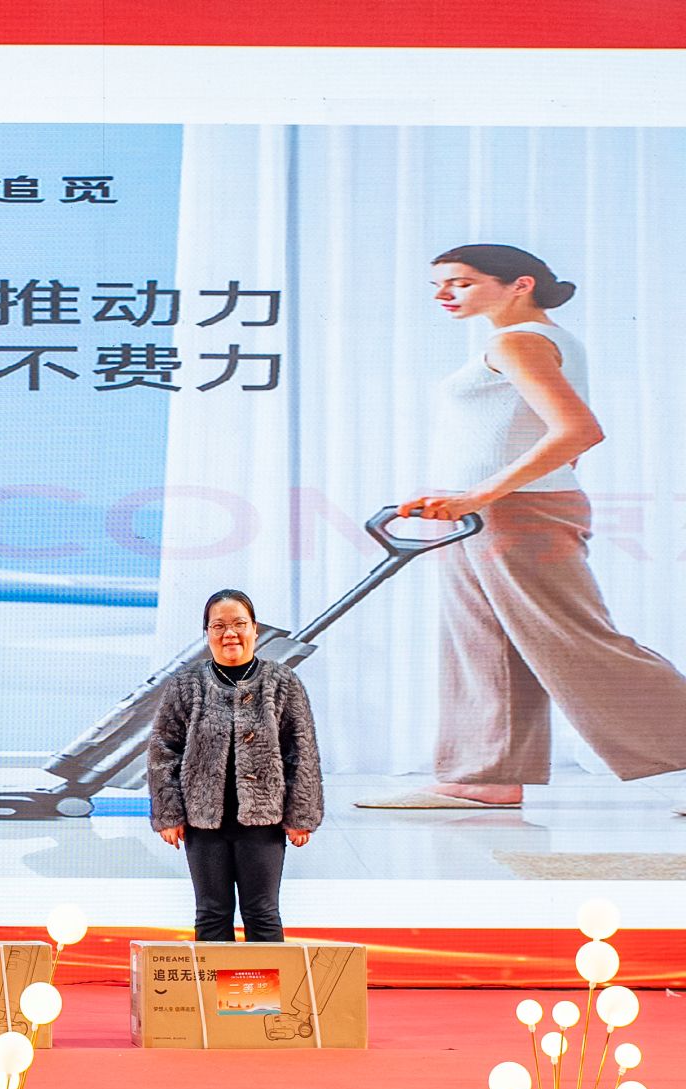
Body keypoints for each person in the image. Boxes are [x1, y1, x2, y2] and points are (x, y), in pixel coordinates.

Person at [362, 245, 686, 813]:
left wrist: (480, 494)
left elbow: (578, 431)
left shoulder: (517, 342)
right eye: (438, 285)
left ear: (520, 284)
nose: (445, 295)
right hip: (487, 513)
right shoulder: (536, 339)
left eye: (462, 282)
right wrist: (475, 499)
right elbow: (547, 437)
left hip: (511, 512)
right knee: (485, 644)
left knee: (576, 643)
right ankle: (483, 777)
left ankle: (486, 773)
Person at [148, 590, 322, 943]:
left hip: (264, 820)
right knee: (211, 912)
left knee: (262, 912)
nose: (230, 633)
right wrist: (169, 814)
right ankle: (215, 984)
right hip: (202, 821)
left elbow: (302, 751)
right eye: (219, 626)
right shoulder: (185, 684)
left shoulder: (282, 682)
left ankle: (267, 983)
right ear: (207, 633)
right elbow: (163, 751)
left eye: (239, 624)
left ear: (255, 629)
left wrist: (301, 815)